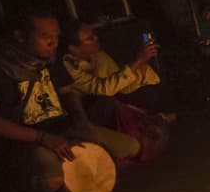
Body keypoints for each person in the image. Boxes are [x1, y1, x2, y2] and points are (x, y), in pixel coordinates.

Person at [0, 12, 140, 192]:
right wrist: (42, 138)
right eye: (45, 37)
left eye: (56, 36)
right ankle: (15, 187)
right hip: (25, 140)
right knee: (51, 180)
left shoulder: (50, 59)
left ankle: (62, 173)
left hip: (61, 129)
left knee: (131, 147)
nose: (53, 42)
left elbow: (68, 92)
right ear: (20, 36)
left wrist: (80, 120)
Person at [60, 20, 172, 161]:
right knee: (108, 100)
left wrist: (143, 62)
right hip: (84, 116)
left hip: (108, 104)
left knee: (148, 94)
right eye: (89, 39)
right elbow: (104, 89)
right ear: (74, 49)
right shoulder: (67, 67)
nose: (96, 39)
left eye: (94, 35)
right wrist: (138, 60)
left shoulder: (99, 56)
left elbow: (124, 86)